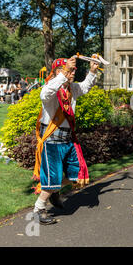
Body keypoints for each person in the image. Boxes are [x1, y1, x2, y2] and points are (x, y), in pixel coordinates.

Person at [32, 56, 98, 225]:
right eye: (69, 70)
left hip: (68, 140)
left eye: (73, 70)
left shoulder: (71, 88)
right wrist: (63, 74)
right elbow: (44, 94)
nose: (72, 73)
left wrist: (92, 71)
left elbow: (84, 88)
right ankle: (39, 208)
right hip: (52, 140)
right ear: (57, 72)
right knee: (52, 178)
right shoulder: (51, 88)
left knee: (76, 174)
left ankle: (54, 190)